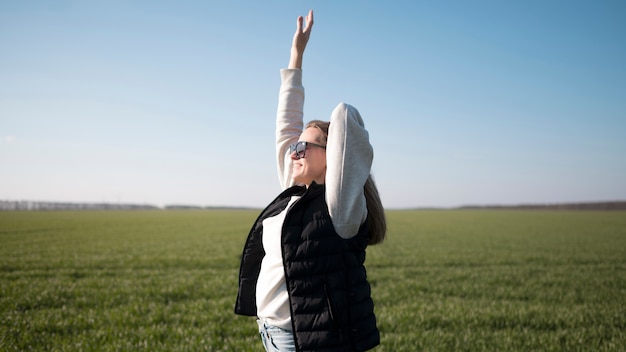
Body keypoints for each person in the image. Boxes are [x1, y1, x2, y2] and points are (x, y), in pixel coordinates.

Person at [234, 10, 386, 352]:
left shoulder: (341, 208)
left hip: (308, 343)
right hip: (273, 335)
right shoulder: (293, 193)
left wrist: (332, 137)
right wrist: (296, 56)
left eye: (304, 146)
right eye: (294, 147)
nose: (294, 151)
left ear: (333, 156)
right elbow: (285, 125)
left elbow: (344, 119)